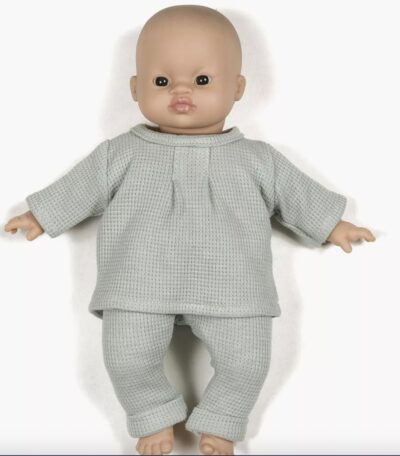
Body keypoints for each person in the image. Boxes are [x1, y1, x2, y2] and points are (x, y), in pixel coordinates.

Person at [4, 5, 375, 455]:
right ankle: (151, 414)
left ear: (237, 88)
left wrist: (332, 224)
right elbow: (79, 188)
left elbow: (296, 194)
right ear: (135, 88)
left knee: (248, 361)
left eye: (202, 80)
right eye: (162, 81)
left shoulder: (257, 159)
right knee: (125, 357)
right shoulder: (120, 154)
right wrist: (41, 215)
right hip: (138, 283)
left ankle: (222, 421)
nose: (181, 91)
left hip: (234, 287)